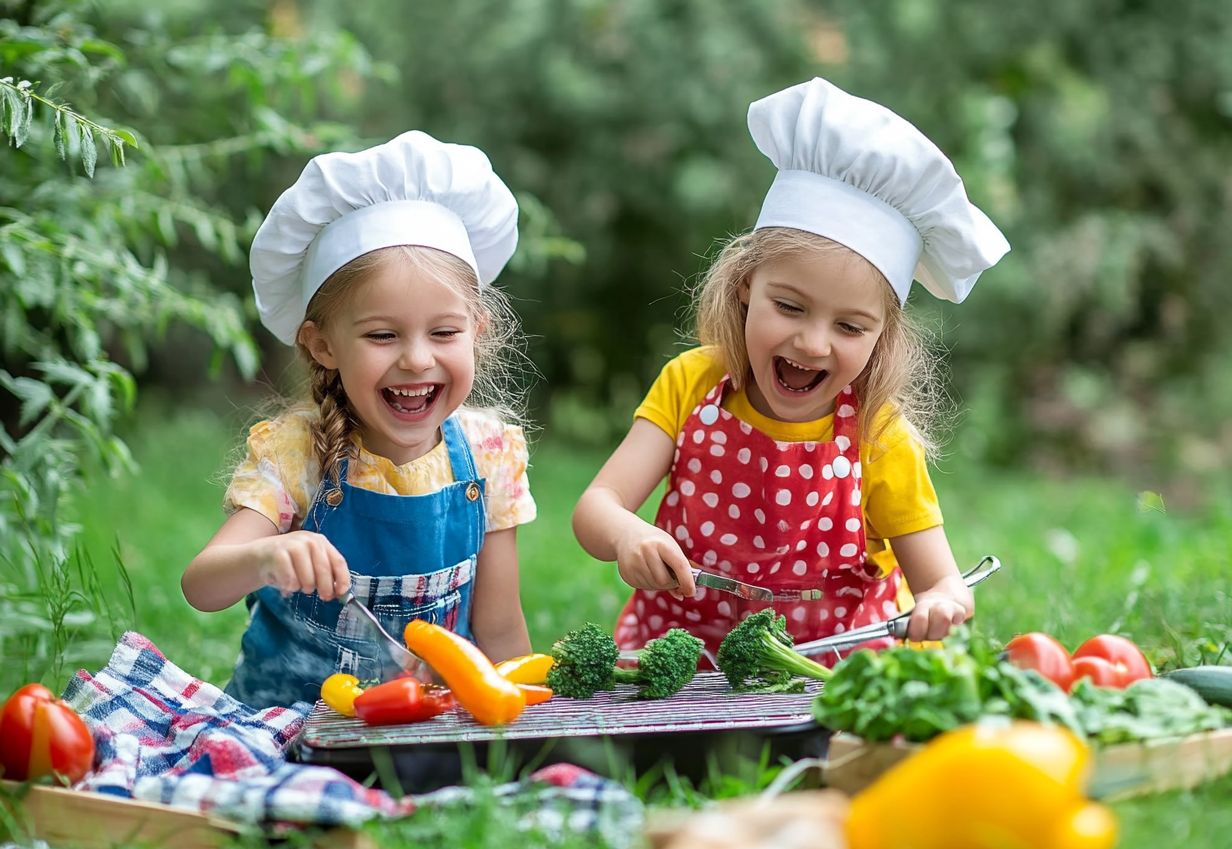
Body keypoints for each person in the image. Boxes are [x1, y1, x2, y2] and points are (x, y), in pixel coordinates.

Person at [573, 78, 1010, 663]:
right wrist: (627, 534)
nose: (811, 343)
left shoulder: (879, 437)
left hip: (829, 673)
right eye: (789, 307)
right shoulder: (690, 383)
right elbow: (596, 507)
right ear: (746, 284)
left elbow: (942, 583)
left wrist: (944, 603)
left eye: (850, 327)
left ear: (883, 336)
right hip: (681, 664)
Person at [182, 130, 536, 708]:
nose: (417, 359)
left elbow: (498, 630)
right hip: (287, 726)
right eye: (381, 335)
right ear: (322, 346)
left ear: (478, 331)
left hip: (425, 724)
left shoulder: (489, 454)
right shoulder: (297, 452)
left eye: (444, 332)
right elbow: (202, 585)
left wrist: (520, 727)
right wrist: (266, 556)